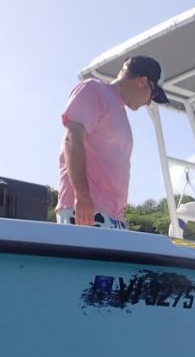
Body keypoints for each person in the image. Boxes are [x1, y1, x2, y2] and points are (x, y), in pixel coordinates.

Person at [57, 55, 168, 228]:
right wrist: (83, 197)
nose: (148, 103)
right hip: (87, 212)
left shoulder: (120, 112)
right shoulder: (92, 90)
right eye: (152, 95)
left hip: (112, 217)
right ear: (143, 81)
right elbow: (72, 139)